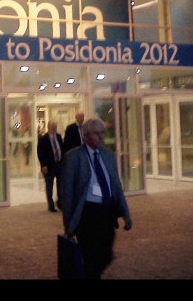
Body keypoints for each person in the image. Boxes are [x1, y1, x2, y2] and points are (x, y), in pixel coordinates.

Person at [61, 117, 132, 279]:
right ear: (85, 136)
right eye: (96, 133)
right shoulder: (73, 157)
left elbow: (116, 186)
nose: (101, 137)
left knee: (106, 254)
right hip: (87, 213)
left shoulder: (108, 155)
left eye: (102, 133)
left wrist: (126, 214)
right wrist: (68, 225)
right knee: (90, 256)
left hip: (106, 211)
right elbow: (67, 193)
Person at [37, 120, 64, 212]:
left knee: (60, 186)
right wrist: (43, 165)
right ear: (48, 127)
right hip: (48, 166)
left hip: (59, 164)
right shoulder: (43, 139)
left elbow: (62, 149)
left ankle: (60, 203)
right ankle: (51, 205)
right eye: (53, 127)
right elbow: (40, 153)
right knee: (49, 186)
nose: (54, 129)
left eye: (55, 127)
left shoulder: (59, 137)